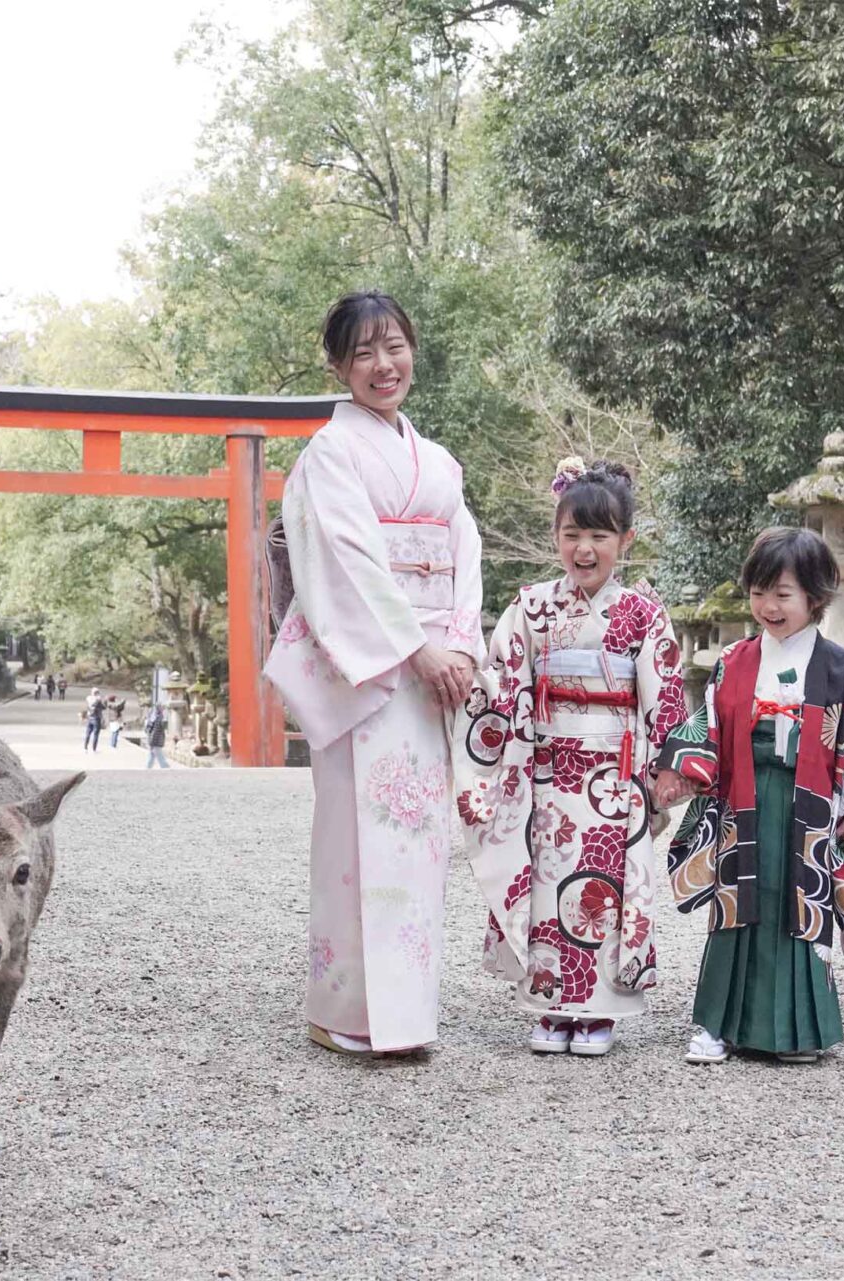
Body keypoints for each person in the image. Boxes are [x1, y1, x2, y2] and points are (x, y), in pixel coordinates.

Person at [263, 289, 483, 1056]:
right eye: (363, 353)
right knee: (355, 841)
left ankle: (408, 1016)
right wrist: (415, 650)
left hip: (431, 674)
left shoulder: (441, 464)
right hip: (373, 671)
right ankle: (345, 1010)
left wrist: (458, 645)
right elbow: (345, 559)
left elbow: (466, 555)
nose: (384, 365)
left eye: (394, 346)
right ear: (338, 366)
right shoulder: (332, 453)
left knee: (420, 845)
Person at [455, 458, 688, 1057]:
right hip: (549, 773)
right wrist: (485, 715)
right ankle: (550, 1001)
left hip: (614, 776)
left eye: (599, 536)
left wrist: (666, 772)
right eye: (572, 535)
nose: (585, 549)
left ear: (625, 541)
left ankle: (601, 1010)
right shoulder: (532, 607)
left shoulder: (642, 614)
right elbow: (502, 680)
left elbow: (662, 695)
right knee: (547, 883)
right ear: (555, 537)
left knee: (606, 887)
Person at [653, 527, 844, 1065]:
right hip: (743, 796)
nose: (769, 605)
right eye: (760, 592)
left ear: (816, 596)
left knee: (801, 906)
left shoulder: (841, 667)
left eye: (783, 594)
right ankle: (717, 1024)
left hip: (809, 801)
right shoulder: (735, 659)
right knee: (736, 905)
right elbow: (707, 726)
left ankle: (798, 1031)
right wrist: (680, 772)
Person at [143, 704, 170, 769]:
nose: (163, 709)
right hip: (156, 740)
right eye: (162, 708)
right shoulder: (158, 718)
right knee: (159, 754)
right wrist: (153, 742)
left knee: (152, 755)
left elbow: (149, 730)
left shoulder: (153, 717)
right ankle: (165, 766)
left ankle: (148, 767)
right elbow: (155, 732)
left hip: (153, 740)